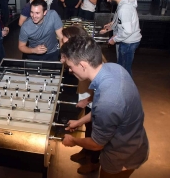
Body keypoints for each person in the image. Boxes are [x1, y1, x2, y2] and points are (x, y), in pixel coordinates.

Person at [61, 36, 149, 178]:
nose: (70, 70)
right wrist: (79, 122)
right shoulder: (113, 68)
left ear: (83, 65)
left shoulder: (109, 102)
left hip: (122, 155)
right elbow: (99, 109)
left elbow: (97, 144)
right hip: (134, 139)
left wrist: (73, 140)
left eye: (71, 66)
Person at [61, 26, 107, 175]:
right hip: (90, 100)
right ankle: (86, 152)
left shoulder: (95, 65)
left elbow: (100, 91)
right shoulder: (81, 58)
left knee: (95, 132)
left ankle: (94, 162)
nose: (63, 44)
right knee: (88, 128)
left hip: (94, 102)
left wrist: (87, 100)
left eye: (65, 41)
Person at [100, 0, 141, 77]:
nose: (107, 0)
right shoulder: (122, 4)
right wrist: (109, 29)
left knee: (124, 69)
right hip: (127, 41)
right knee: (121, 67)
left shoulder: (124, 9)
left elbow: (127, 31)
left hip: (129, 43)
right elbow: (119, 23)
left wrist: (114, 39)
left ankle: (126, 88)